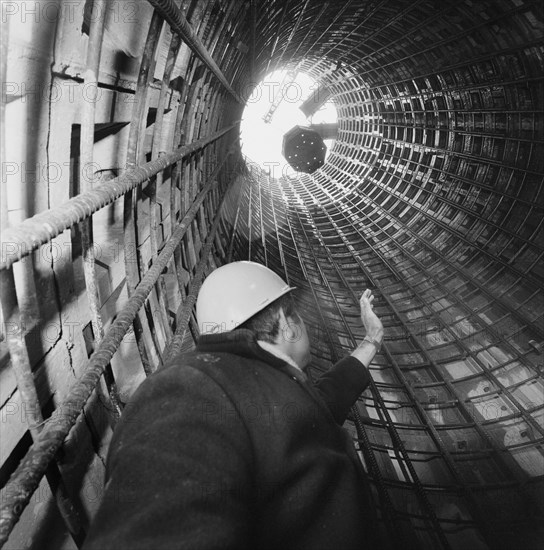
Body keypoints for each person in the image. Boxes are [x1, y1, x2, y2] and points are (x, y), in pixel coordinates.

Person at [82, 261, 384, 550]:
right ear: (285, 320)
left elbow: (319, 409)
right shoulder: (188, 386)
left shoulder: (249, 388)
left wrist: (371, 340)